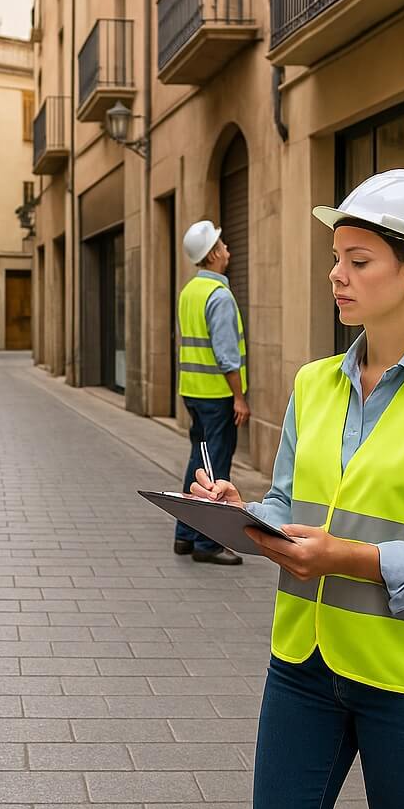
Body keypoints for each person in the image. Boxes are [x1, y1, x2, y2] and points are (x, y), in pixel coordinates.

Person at [188, 170, 404, 809]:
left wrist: (347, 559)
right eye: (337, 258)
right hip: (303, 666)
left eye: (358, 261)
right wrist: (242, 513)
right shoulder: (313, 384)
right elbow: (287, 503)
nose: (336, 275)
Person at [174, 220, 250, 565]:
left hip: (192, 391)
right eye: (223, 245)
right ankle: (207, 543)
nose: (228, 250)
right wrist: (239, 397)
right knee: (216, 467)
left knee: (198, 461)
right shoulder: (219, 296)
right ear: (214, 253)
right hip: (217, 395)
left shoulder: (189, 291)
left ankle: (185, 535)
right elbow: (226, 355)